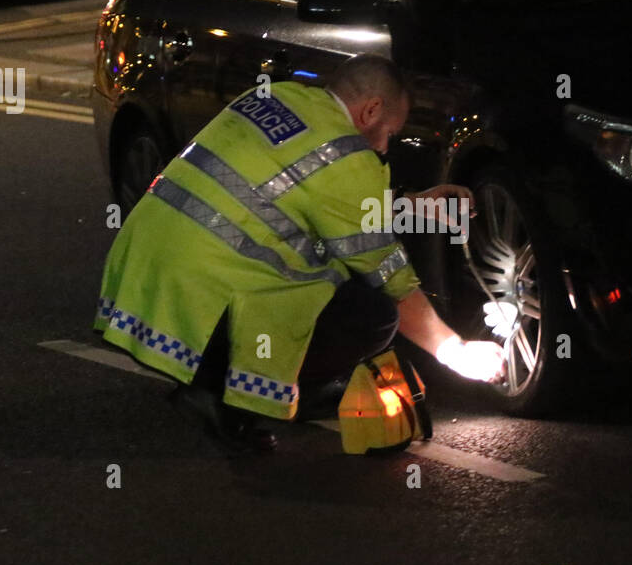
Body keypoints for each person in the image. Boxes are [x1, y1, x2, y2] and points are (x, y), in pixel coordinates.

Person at [94, 54, 506, 454]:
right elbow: (391, 278)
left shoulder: (277, 97)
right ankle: (228, 395)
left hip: (144, 274)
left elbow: (294, 195)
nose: (384, 146)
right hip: (210, 299)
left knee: (327, 267)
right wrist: (455, 350)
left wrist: (409, 206)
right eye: (388, 132)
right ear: (371, 109)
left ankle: (212, 375)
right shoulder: (346, 155)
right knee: (372, 315)